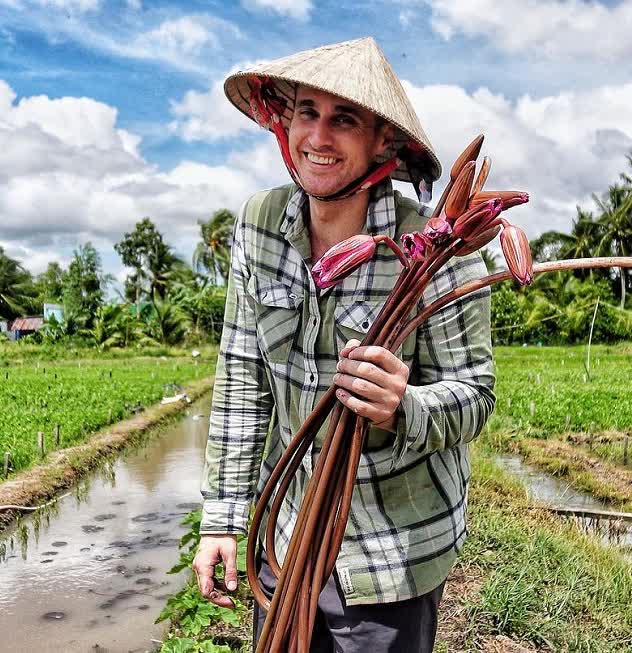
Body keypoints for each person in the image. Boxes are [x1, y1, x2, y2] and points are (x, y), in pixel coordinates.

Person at [193, 37, 495, 652]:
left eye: (345, 119)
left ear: (383, 141)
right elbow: (241, 381)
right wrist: (223, 518)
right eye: (308, 112)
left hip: (389, 551)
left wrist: (403, 405)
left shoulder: (435, 248)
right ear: (285, 122)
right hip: (287, 535)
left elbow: (475, 396)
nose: (319, 138)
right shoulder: (259, 224)